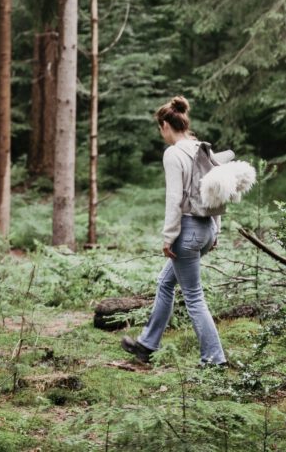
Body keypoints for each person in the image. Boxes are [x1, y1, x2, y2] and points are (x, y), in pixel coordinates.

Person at [121, 96, 227, 368]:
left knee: (193, 296)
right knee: (166, 283)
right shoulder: (203, 149)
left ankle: (214, 359)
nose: (161, 134)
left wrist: (168, 237)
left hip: (188, 232)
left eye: (160, 128)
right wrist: (215, 231)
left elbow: (174, 200)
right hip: (205, 230)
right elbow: (218, 192)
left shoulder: (174, 153)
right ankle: (146, 345)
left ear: (166, 124)